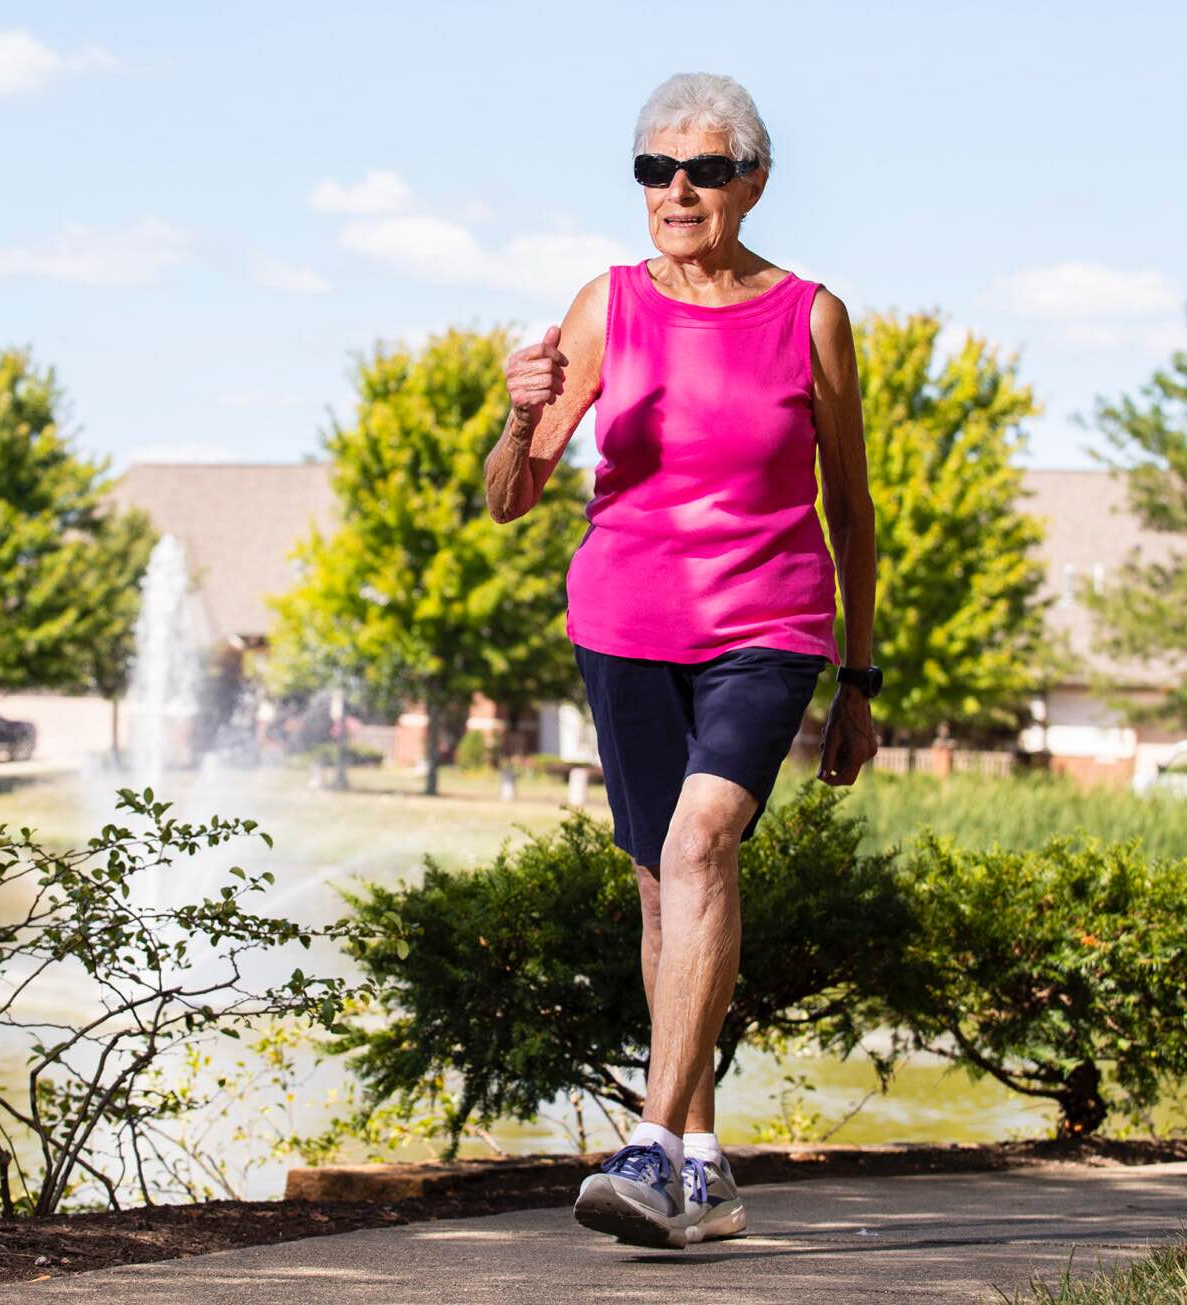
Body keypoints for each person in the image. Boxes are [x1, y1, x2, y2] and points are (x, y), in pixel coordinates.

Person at [484, 71, 880, 1250]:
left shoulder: (811, 313)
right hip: (626, 621)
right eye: (655, 170)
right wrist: (519, 416)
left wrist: (860, 678)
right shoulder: (607, 305)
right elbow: (514, 499)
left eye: (704, 170)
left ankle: (650, 1145)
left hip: (768, 621)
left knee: (703, 840)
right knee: (667, 885)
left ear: (753, 181)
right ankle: (702, 1163)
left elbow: (850, 505)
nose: (677, 191)